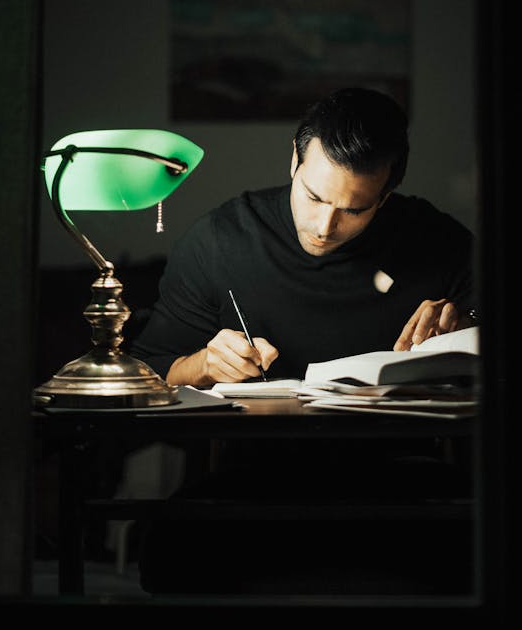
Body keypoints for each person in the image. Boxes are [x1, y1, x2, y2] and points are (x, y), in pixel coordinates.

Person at [130, 87, 477, 594]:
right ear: (294, 160)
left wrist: (465, 325)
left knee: (481, 544)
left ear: (386, 195)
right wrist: (204, 363)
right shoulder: (222, 241)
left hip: (403, 479)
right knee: (174, 549)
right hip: (256, 476)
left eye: (355, 210)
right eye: (314, 196)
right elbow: (147, 372)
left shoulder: (438, 242)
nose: (324, 226)